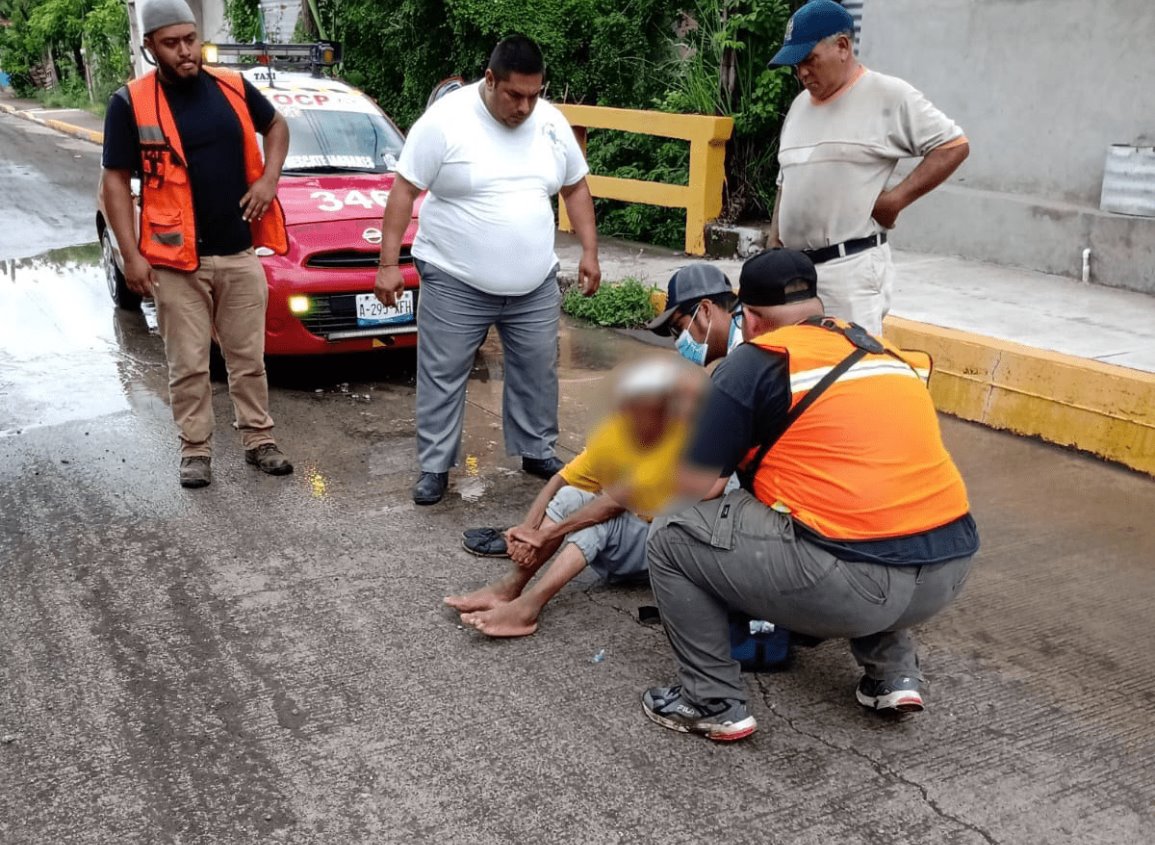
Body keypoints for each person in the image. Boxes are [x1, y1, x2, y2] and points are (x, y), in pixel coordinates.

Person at [641, 248, 980, 742]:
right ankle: (894, 675)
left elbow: (701, 486)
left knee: (671, 534)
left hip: (855, 585)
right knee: (862, 512)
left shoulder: (756, 360)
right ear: (815, 307)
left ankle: (710, 701)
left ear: (750, 319)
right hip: (949, 571)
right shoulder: (877, 349)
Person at [373, 35, 602, 506]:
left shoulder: (551, 123)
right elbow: (403, 192)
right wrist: (388, 264)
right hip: (455, 277)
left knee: (538, 370)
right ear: (491, 79)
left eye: (534, 95)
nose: (524, 107)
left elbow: (575, 188)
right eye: (514, 95)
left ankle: (537, 450)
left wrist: (590, 252)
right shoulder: (444, 122)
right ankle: (435, 466)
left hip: (534, 280)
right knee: (444, 372)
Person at [100, 0, 293, 489]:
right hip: (173, 261)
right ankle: (195, 450)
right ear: (151, 47)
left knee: (248, 358)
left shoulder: (231, 86)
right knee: (188, 364)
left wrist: (269, 180)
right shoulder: (130, 102)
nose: (185, 51)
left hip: (237, 251)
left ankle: (258, 440)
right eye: (172, 43)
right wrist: (131, 254)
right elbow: (115, 182)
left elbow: (276, 126)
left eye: (190, 39)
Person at [445, 359, 698, 638]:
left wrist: (547, 534)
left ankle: (527, 609)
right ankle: (509, 588)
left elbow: (612, 504)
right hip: (635, 539)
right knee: (570, 495)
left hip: (665, 552)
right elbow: (560, 479)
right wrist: (526, 531)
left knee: (597, 522)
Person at [766, 0, 970, 335]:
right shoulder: (799, 107)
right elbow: (785, 181)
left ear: (843, 46)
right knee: (798, 372)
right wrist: (773, 248)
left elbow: (953, 145)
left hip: (849, 271)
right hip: (795, 276)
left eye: (809, 59)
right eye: (796, 65)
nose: (802, 72)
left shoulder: (888, 95)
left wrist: (895, 200)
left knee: (848, 372)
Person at [645, 263, 742, 366]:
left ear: (705, 310)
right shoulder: (745, 332)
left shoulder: (744, 357)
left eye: (678, 329)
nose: (678, 344)